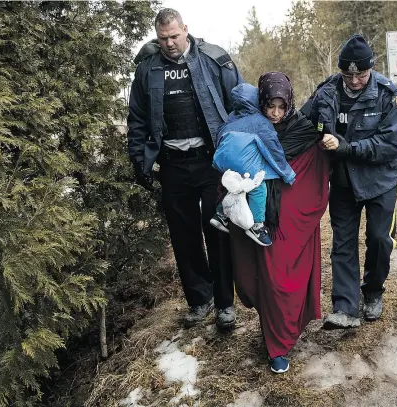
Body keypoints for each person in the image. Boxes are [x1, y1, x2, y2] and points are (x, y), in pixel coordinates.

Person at [127, 8, 243, 329]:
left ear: (185, 30)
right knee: (183, 235)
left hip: (212, 161)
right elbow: (136, 119)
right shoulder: (148, 70)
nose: (170, 43)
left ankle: (224, 303)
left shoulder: (214, 59)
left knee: (217, 230)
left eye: (175, 36)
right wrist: (141, 162)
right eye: (163, 38)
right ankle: (199, 299)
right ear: (157, 37)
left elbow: (239, 104)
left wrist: (242, 151)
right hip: (173, 165)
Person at [301, 34, 397, 329]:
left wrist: (347, 148)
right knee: (343, 243)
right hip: (343, 182)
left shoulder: (389, 95)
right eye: (348, 74)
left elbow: (390, 144)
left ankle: (373, 291)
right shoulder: (327, 91)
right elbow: (302, 122)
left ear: (370, 69)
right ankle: (345, 308)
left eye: (360, 74)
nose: (355, 80)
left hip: (381, 180)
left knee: (378, 239)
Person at [227, 72, 329, 373]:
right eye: (270, 105)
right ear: (260, 103)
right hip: (261, 220)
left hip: (291, 220)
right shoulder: (247, 130)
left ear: (290, 105)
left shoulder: (302, 132)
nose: (275, 113)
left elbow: (312, 172)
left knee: (288, 280)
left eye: (281, 106)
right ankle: (276, 341)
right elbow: (231, 162)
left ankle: (281, 343)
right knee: (266, 281)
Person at [210, 83, 296, 247]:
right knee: (257, 187)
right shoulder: (260, 122)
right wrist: (288, 174)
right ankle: (257, 226)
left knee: (237, 187)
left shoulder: (229, 120)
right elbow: (273, 150)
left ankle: (220, 214)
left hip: (222, 162)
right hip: (244, 163)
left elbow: (219, 138)